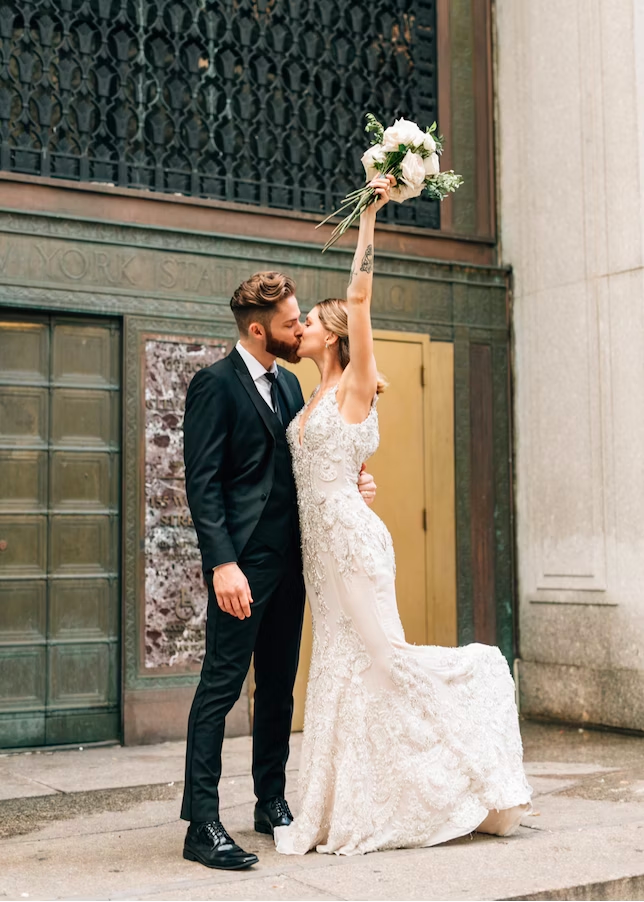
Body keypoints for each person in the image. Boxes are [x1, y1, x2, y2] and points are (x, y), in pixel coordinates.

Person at [274, 175, 533, 857]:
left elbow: (359, 293)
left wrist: (368, 213)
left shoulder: (356, 386)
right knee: (337, 664)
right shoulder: (306, 398)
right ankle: (338, 805)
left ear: (333, 336)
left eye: (307, 324)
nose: (297, 330)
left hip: (354, 546)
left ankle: (479, 689)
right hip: (322, 552)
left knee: (382, 662)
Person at [181, 271, 377, 870]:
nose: (299, 330)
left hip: (293, 567)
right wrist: (222, 564)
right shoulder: (214, 385)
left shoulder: (294, 386)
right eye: (292, 324)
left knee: (277, 690)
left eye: (302, 321)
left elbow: (312, 463)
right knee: (220, 685)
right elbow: (203, 483)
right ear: (260, 329)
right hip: (241, 568)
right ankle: (202, 823)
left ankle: (271, 801)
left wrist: (355, 482)